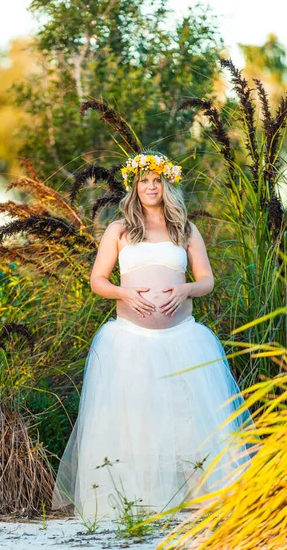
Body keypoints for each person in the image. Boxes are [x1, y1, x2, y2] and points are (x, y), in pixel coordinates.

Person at [51, 150, 254, 520]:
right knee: (136, 418)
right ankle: (137, 499)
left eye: (156, 180)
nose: (150, 186)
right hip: (129, 339)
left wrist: (185, 290)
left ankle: (201, 497)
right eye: (143, 180)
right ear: (134, 185)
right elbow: (98, 280)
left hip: (182, 337)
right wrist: (124, 293)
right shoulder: (119, 230)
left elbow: (206, 280)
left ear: (166, 185)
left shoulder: (185, 229)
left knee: (187, 417)